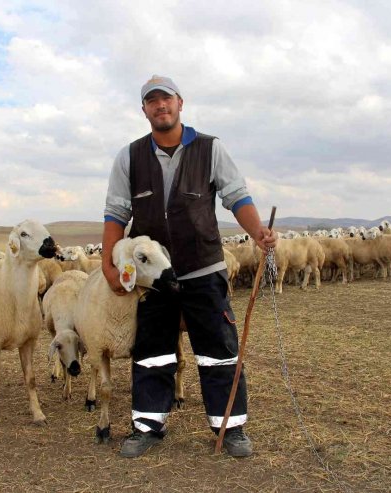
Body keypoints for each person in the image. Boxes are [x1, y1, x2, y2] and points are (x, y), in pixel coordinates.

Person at [102, 75, 276, 458]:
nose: (160, 106)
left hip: (203, 270)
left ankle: (230, 428)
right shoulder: (129, 156)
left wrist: (256, 231)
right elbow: (116, 214)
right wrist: (108, 264)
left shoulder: (210, 149)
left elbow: (236, 196)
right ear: (144, 110)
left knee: (218, 350)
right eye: (152, 101)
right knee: (152, 352)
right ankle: (147, 426)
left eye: (166, 99)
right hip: (153, 280)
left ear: (180, 103)